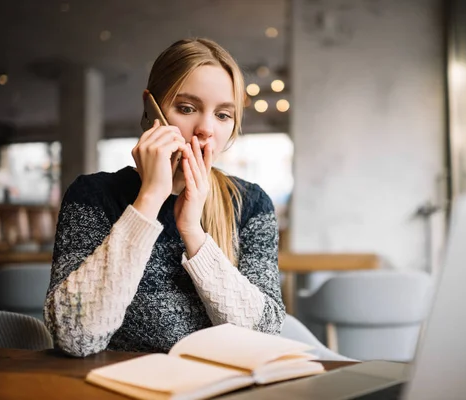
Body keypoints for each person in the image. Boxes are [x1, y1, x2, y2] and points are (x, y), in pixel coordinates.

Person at [43, 38, 286, 357]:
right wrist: (149, 200)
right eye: (187, 108)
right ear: (150, 109)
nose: (205, 129)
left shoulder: (250, 203)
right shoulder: (93, 196)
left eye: (223, 115)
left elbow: (265, 334)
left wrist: (193, 233)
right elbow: (75, 336)